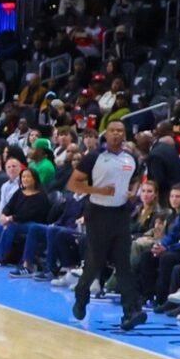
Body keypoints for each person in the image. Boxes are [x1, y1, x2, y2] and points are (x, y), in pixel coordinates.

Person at [68, 119, 145, 330]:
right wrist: (99, 191)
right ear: (106, 134)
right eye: (112, 131)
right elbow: (73, 183)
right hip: (97, 213)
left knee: (124, 264)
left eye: (120, 131)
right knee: (96, 261)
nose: (116, 134)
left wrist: (133, 192)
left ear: (125, 134)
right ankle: (81, 295)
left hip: (120, 213)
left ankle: (132, 311)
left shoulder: (131, 158)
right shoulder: (94, 157)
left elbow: (136, 178)